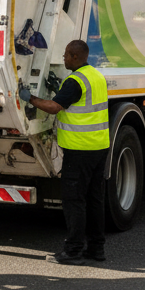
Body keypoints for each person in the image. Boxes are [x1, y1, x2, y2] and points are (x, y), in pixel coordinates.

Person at [19, 39, 110, 265]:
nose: (64, 59)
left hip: (79, 149)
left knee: (74, 201)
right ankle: (96, 249)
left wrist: (29, 97)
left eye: (67, 55)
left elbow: (54, 107)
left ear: (76, 57)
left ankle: (73, 251)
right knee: (94, 199)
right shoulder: (95, 76)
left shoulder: (75, 81)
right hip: (98, 146)